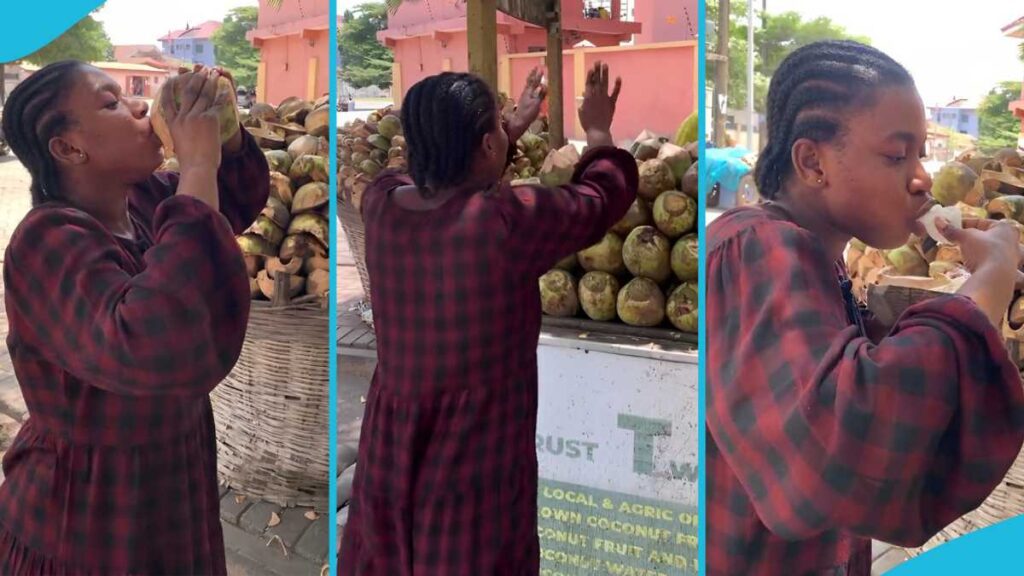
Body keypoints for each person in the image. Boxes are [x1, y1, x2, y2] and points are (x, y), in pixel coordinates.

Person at [705, 40, 1024, 575]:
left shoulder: (817, 262)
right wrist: (988, 283)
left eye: (921, 153)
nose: (921, 176)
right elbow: (836, 445)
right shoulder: (756, 248)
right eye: (897, 155)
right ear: (812, 162)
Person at [339, 63, 638, 574]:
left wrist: (500, 136)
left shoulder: (380, 206)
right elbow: (598, 197)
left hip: (392, 446)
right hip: (475, 462)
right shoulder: (503, 223)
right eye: (496, 129)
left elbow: (411, 175)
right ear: (484, 147)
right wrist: (598, 132)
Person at [0, 61, 268, 574]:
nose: (141, 107)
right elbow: (155, 342)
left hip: (169, 488)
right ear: (69, 149)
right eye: (111, 103)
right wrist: (194, 169)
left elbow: (229, 200)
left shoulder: (144, 198)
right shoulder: (46, 241)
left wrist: (224, 132)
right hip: (86, 510)